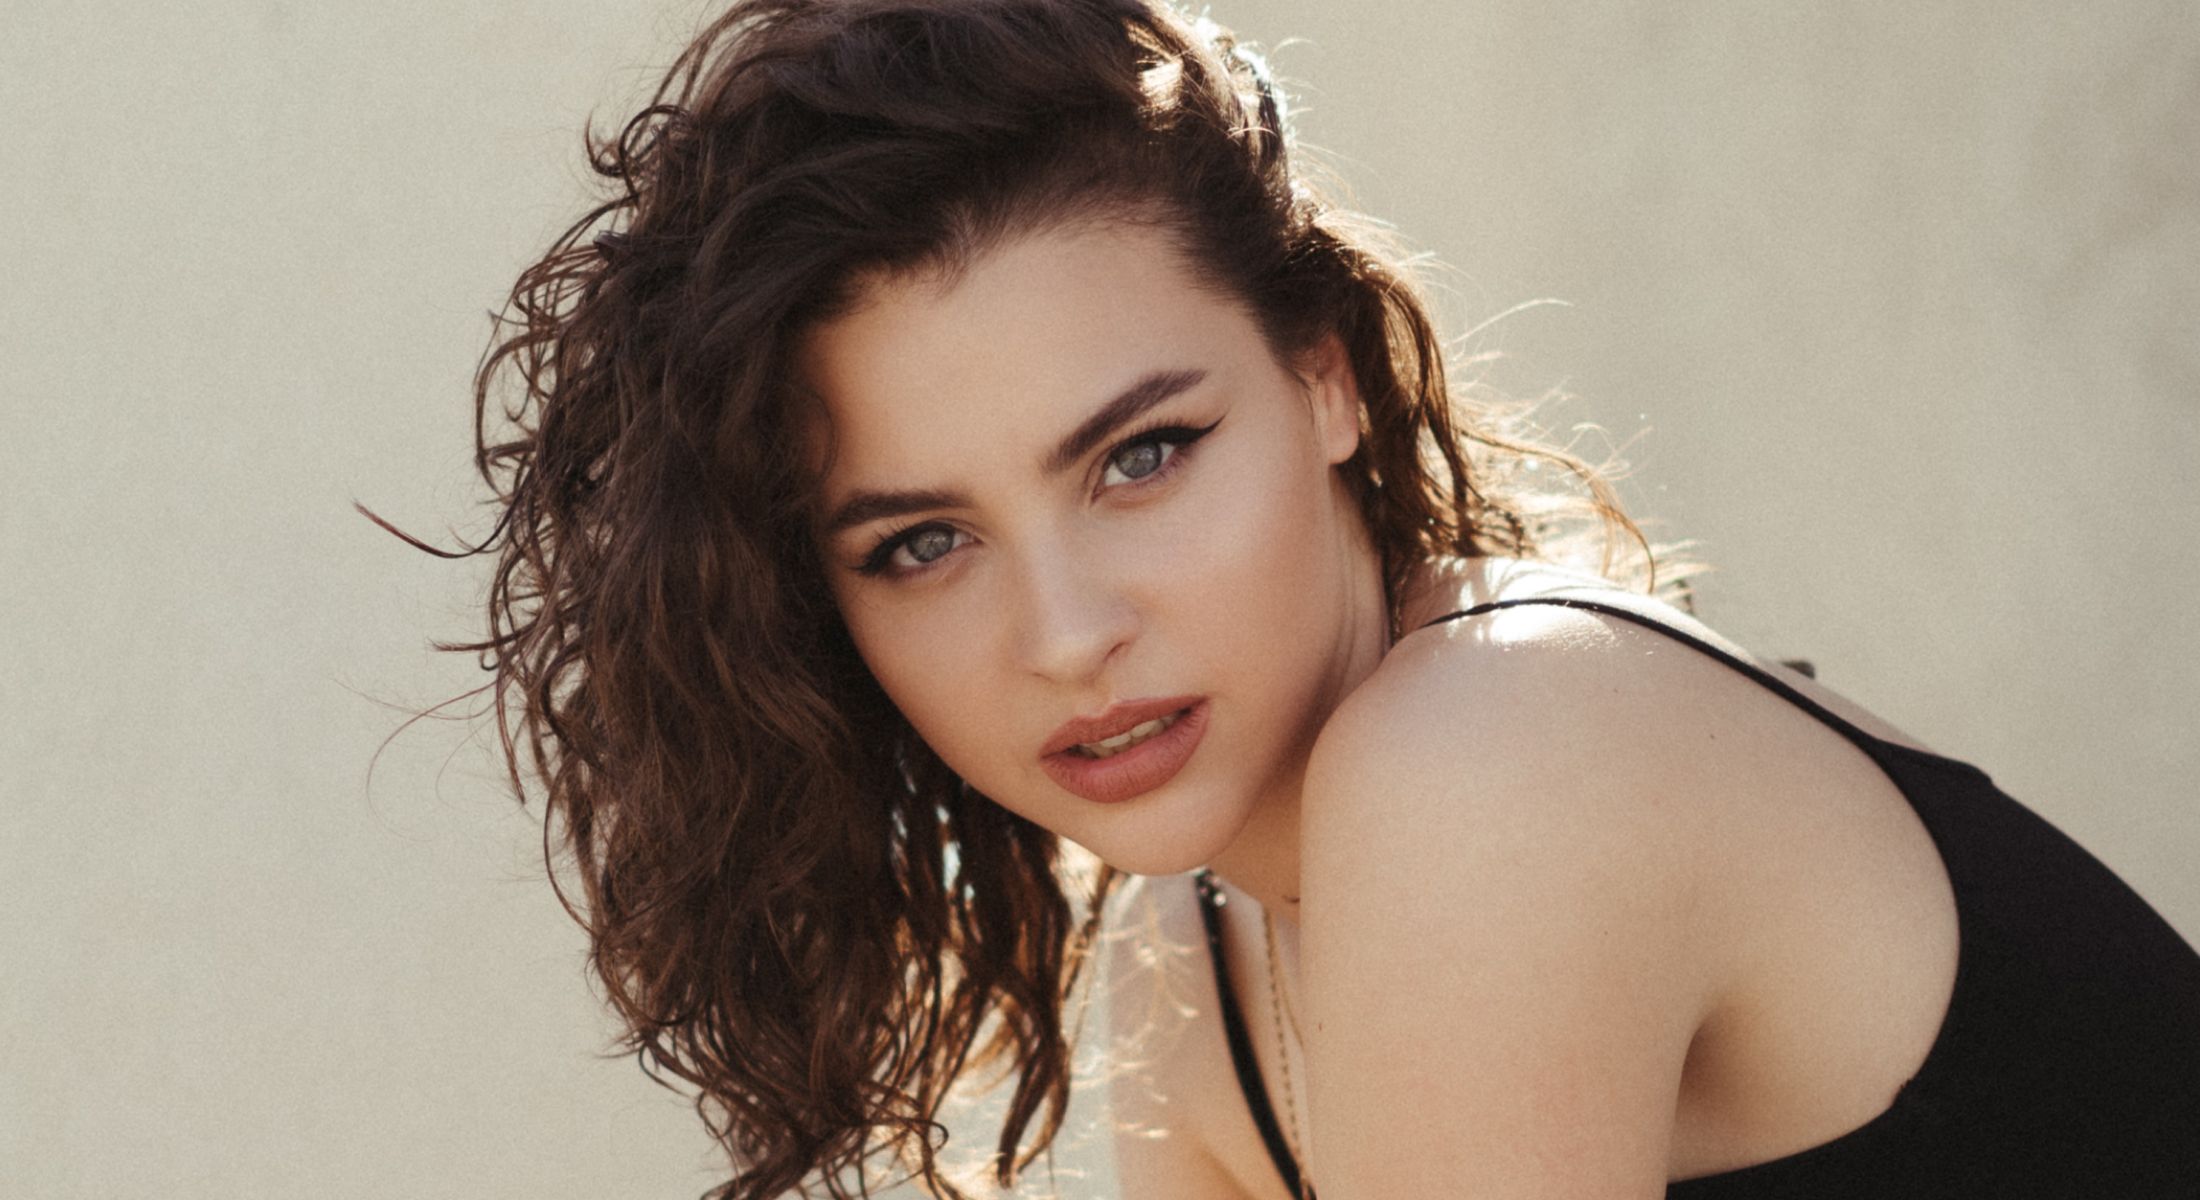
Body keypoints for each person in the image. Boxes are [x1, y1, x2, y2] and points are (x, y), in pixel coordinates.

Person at [404, 0, 2200, 1196]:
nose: (1064, 632)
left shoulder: (1500, 753)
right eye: (919, 544)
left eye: (1140, 457)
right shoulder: (1195, 970)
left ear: (1326, 379)